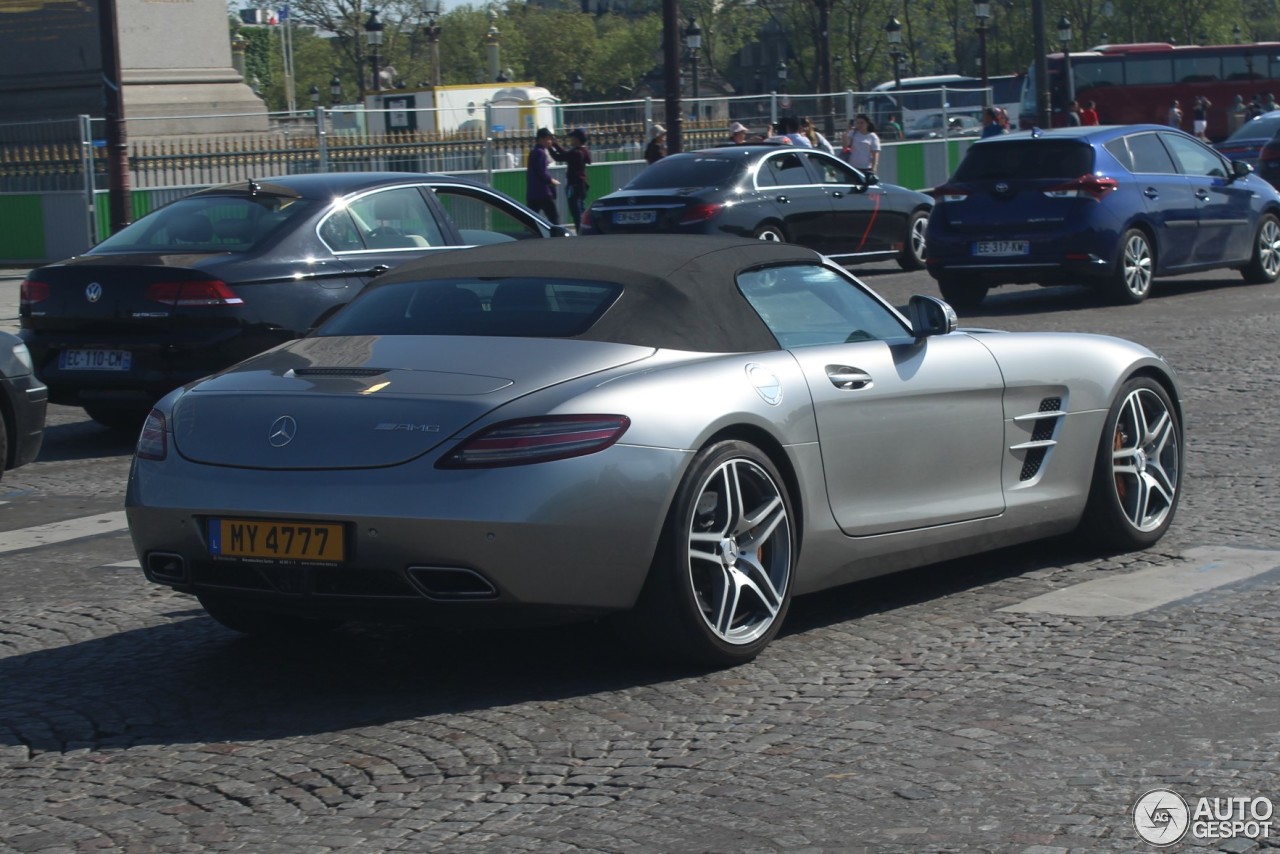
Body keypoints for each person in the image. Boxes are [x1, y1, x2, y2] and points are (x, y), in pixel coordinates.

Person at [525, 127, 562, 224]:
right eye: (548, 139)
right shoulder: (541, 153)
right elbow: (541, 172)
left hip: (533, 192)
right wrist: (551, 181)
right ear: (541, 139)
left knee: (531, 219)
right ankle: (557, 237)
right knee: (554, 217)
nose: (550, 141)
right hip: (543, 192)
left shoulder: (533, 152)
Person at [563, 128, 592, 233]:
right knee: (580, 209)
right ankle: (584, 230)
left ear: (578, 139)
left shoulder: (576, 152)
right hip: (581, 185)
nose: (571, 140)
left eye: (573, 138)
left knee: (576, 212)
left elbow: (561, 156)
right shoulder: (584, 151)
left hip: (574, 186)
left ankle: (581, 232)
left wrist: (553, 145)